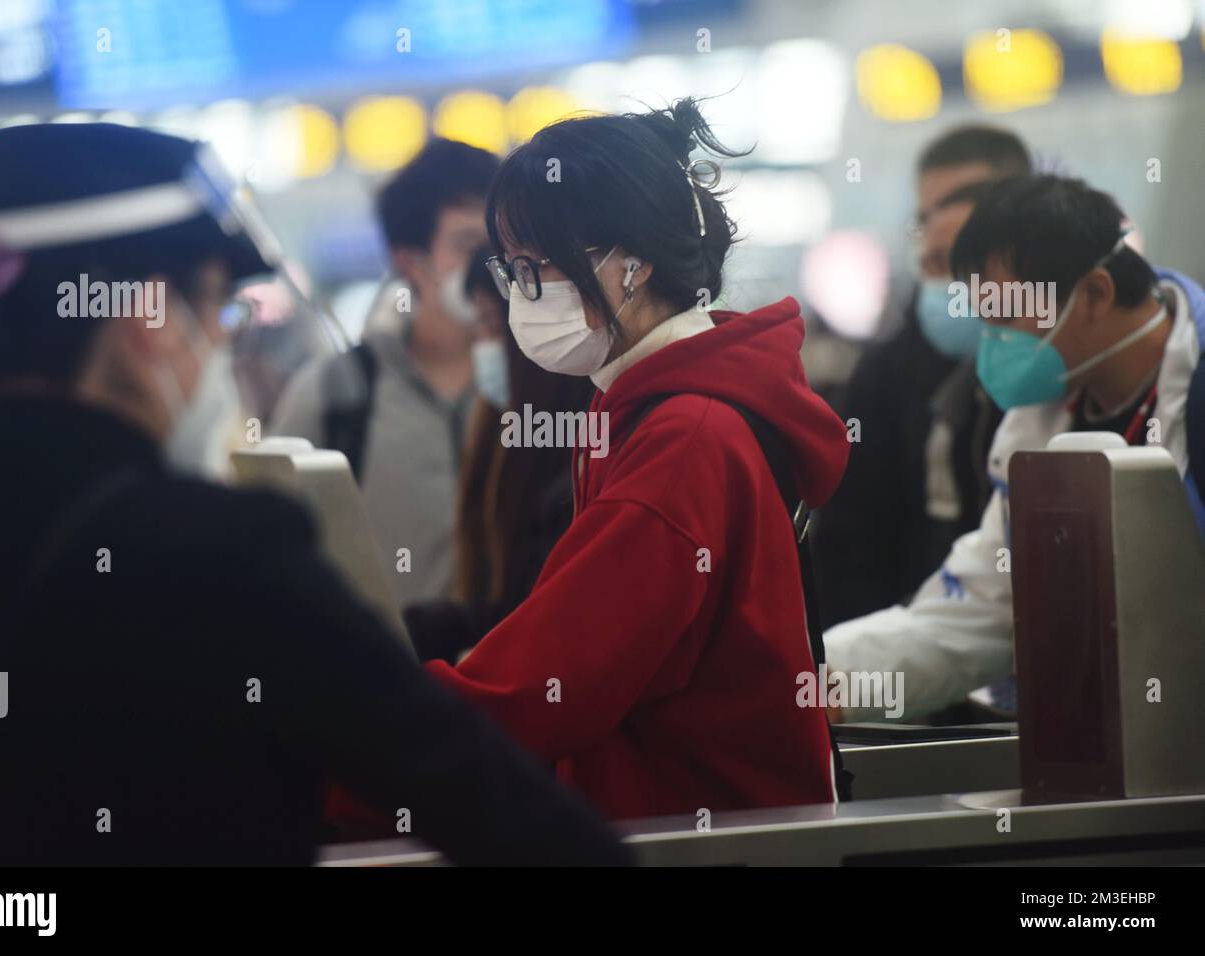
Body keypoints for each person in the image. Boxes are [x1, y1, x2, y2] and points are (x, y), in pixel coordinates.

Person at [0, 123, 630, 866]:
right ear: (149, 320)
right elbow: (478, 795)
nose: (221, 346)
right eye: (217, 309)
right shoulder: (220, 551)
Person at [421, 99, 851, 819]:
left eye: (541, 268)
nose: (525, 296)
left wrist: (359, 752)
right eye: (513, 271)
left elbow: (549, 683)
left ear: (634, 262)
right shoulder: (650, 405)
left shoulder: (684, 438)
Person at [825, 174, 1205, 720]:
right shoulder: (1040, 418)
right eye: (985, 322)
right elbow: (987, 606)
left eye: (1006, 318)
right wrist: (829, 678)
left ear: (1095, 293)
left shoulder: (1194, 393)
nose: (994, 342)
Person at [813, 125, 1028, 631]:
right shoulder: (889, 373)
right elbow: (852, 544)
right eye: (928, 218)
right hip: (920, 659)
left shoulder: (1056, 372)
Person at [271, 139, 498, 608]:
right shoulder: (335, 393)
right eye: (468, 246)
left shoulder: (549, 383)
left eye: (504, 244)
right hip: (389, 674)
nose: (492, 269)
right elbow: (273, 549)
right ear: (409, 262)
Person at [405, 247, 593, 663]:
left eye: (491, 324)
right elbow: (496, 608)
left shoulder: (582, 469)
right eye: (477, 329)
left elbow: (545, 636)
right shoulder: (508, 436)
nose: (483, 347)